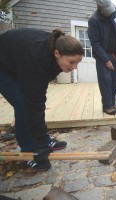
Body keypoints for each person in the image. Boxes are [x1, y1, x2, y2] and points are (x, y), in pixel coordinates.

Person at [0, 28, 84, 170]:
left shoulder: (55, 51)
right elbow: (33, 104)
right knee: (23, 106)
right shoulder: (37, 60)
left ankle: (42, 140)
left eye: (77, 63)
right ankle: (29, 152)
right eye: (71, 62)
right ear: (57, 53)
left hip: (18, 60)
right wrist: (41, 146)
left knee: (32, 104)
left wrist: (42, 139)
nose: (74, 67)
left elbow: (39, 97)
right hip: (3, 67)